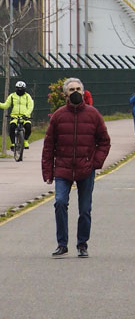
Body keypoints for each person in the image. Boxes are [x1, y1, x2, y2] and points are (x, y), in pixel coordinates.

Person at [42, 78, 111, 258]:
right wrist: (48, 171)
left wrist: (95, 162)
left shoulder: (93, 114)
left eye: (78, 89)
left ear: (83, 91)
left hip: (85, 169)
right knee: (60, 202)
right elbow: (48, 145)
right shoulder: (58, 116)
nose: (75, 92)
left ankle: (82, 244)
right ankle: (62, 244)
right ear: (65, 93)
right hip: (63, 168)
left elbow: (104, 141)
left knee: (85, 209)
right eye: (71, 89)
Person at [1, 80, 34, 149]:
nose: (20, 90)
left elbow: (30, 106)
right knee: (12, 127)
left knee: (28, 127)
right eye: (18, 88)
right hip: (14, 116)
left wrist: (26, 114)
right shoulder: (12, 96)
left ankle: (25, 141)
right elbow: (6, 105)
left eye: (21, 88)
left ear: (24, 89)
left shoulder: (27, 96)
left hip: (25, 117)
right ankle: (13, 144)